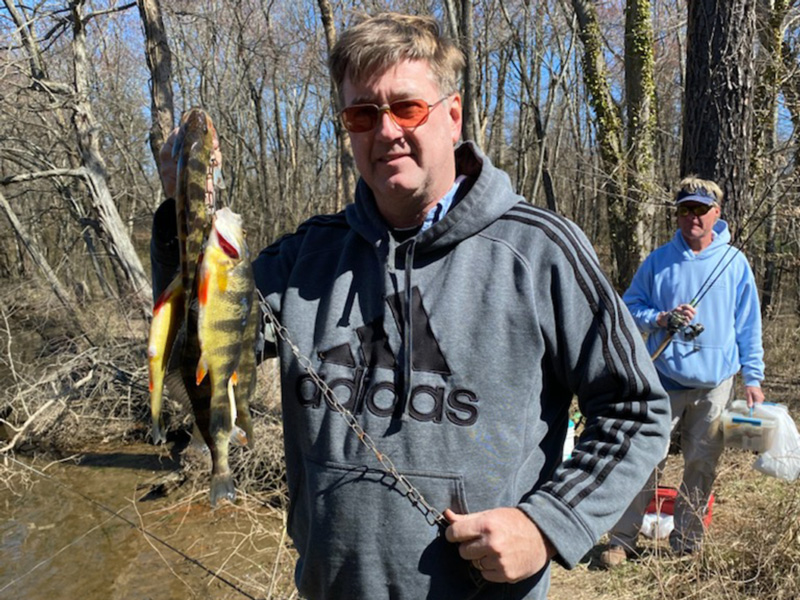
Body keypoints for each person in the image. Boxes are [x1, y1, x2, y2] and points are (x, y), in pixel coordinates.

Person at [151, 12, 670, 599]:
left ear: (452, 116)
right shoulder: (303, 258)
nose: (387, 130)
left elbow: (636, 409)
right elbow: (197, 349)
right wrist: (181, 223)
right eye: (362, 115)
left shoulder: (539, 250)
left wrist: (545, 526)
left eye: (407, 107)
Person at [599, 176, 766, 568]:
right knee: (644, 458)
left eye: (700, 209)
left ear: (716, 214)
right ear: (677, 214)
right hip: (663, 382)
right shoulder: (659, 261)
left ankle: (687, 541)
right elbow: (629, 307)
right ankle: (621, 539)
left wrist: (753, 378)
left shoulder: (734, 263)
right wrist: (660, 318)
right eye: (685, 209)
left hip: (715, 385)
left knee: (702, 462)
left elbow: (748, 326)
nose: (692, 216)